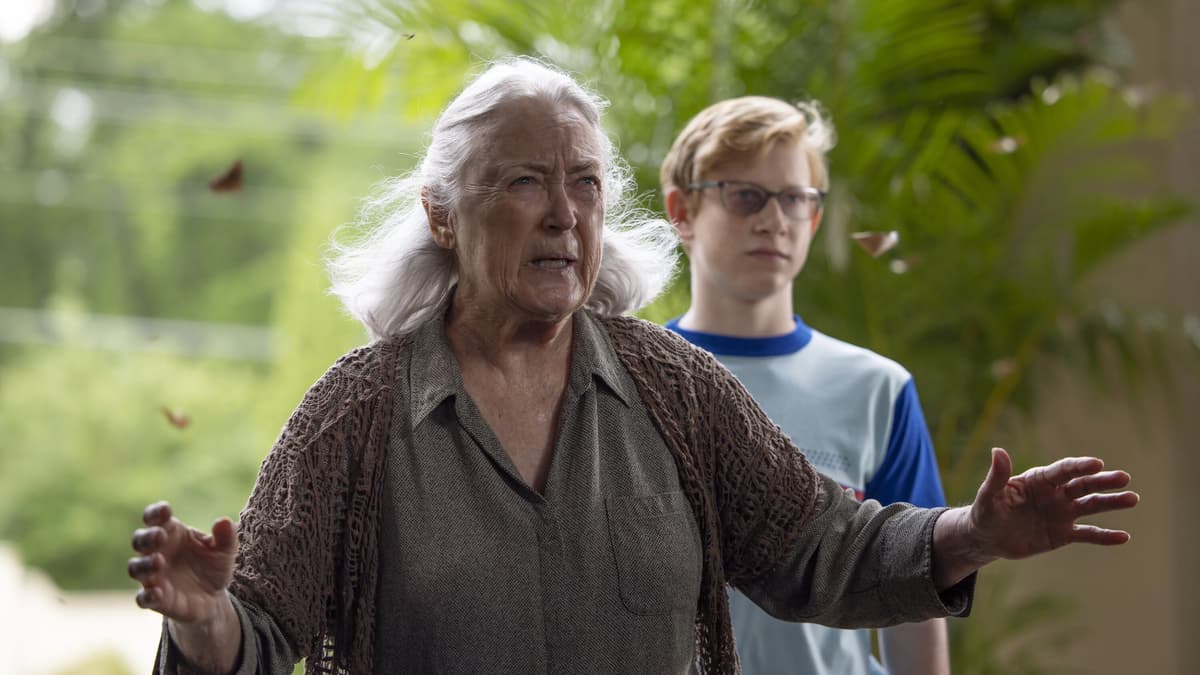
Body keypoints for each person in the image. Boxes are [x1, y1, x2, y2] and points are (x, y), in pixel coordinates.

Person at [127, 57, 1138, 675]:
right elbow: (255, 638)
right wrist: (208, 619)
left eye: (586, 182)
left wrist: (975, 533)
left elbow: (822, 547)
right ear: (441, 211)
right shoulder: (353, 414)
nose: (565, 213)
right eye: (525, 181)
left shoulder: (677, 389)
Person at [660, 96, 949, 675]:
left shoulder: (878, 388)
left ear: (814, 218)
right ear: (682, 210)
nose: (774, 219)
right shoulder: (630, 379)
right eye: (745, 196)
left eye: (795, 198)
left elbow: (917, 588)